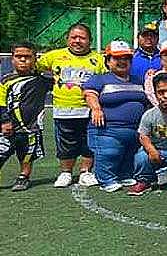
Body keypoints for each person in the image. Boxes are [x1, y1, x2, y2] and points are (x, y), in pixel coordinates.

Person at [37, 23, 107, 187]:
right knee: (65, 143)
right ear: (67, 39)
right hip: (63, 110)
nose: (77, 41)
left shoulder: (98, 59)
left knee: (88, 142)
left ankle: (86, 172)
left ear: (89, 41)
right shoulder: (54, 56)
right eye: (73, 37)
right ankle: (65, 173)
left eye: (82, 38)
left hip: (89, 111)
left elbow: (106, 79)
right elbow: (36, 67)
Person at [83, 41, 148, 192]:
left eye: (126, 58)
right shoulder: (99, 79)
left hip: (134, 130)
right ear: (108, 61)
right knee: (109, 153)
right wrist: (96, 109)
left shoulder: (138, 80)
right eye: (117, 58)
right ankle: (106, 179)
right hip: (107, 129)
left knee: (129, 154)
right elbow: (90, 94)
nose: (122, 61)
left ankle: (125, 175)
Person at [0, 42, 54, 191]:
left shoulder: (42, 80)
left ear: (35, 59)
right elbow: (1, 103)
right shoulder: (6, 80)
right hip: (9, 127)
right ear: (12, 59)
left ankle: (23, 177)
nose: (23, 60)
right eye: (19, 56)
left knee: (27, 156)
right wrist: (4, 121)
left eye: (27, 57)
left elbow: (60, 83)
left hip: (31, 128)